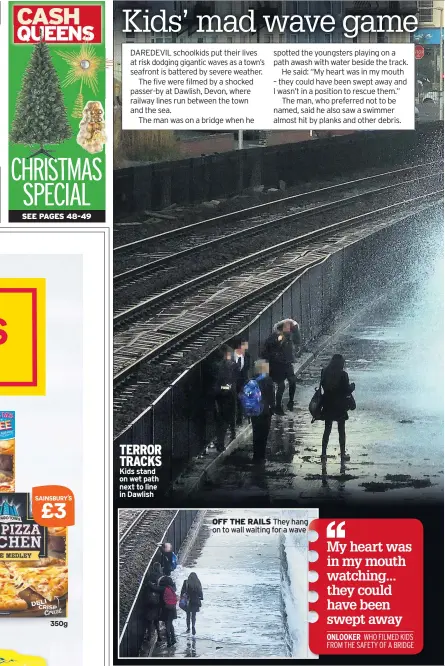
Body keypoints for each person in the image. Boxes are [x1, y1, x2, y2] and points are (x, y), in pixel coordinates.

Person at [262, 319, 301, 415]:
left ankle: (290, 401)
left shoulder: (289, 336)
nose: (289, 329)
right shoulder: (275, 336)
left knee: (292, 381)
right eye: (286, 327)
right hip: (277, 365)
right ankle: (277, 406)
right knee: (281, 386)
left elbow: (297, 340)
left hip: (287, 364)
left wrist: (295, 330)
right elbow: (267, 349)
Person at [320, 354, 355, 461]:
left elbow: (323, 386)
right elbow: (346, 390)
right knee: (341, 430)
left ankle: (324, 453)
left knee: (327, 429)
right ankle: (343, 453)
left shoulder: (324, 371)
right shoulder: (343, 375)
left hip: (327, 404)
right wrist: (352, 387)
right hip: (340, 406)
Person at [211, 345, 237, 451]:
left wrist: (222, 388)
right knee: (225, 419)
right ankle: (223, 440)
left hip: (223, 396)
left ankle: (221, 443)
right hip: (227, 395)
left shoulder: (219, 366)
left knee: (222, 421)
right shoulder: (229, 366)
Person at [249, 359, 275, 462]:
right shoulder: (268, 380)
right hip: (265, 412)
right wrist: (272, 408)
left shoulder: (252, 380)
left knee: (256, 433)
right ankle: (261, 456)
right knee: (264, 434)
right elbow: (271, 396)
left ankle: (256, 456)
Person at [232, 336, 251, 426]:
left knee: (241, 400)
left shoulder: (247, 356)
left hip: (242, 382)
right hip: (232, 382)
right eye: (244, 344)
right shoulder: (231, 356)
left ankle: (239, 418)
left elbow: (247, 368)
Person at [181, 572, 203, 636]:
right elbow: (200, 592)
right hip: (195, 601)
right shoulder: (197, 582)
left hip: (188, 601)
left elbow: (183, 591)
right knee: (193, 615)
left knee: (187, 615)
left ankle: (188, 628)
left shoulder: (186, 582)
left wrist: (182, 599)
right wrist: (201, 597)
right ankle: (193, 626)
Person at [146, 562, 163, 643]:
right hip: (158, 601)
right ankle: (159, 635)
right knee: (156, 619)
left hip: (150, 600)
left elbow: (148, 586)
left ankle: (149, 636)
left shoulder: (151, 575)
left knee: (149, 619)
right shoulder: (161, 576)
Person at [159, 576, 177, 647]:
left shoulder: (164, 588)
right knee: (170, 624)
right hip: (173, 608)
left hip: (167, 609)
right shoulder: (172, 588)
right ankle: (173, 638)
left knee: (167, 625)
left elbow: (155, 588)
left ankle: (169, 641)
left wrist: (148, 583)